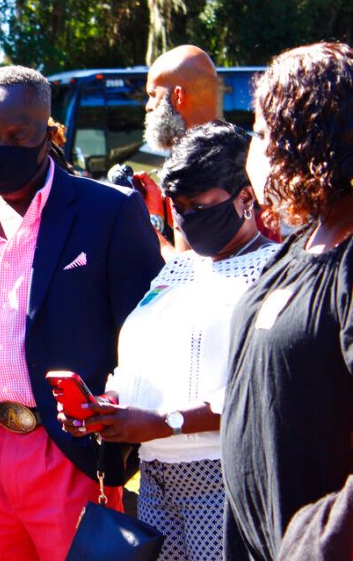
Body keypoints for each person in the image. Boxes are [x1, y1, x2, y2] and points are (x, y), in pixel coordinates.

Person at [0, 66, 163, 559]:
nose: (2, 147)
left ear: (48, 131)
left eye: (19, 135)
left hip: (66, 451)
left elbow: (146, 332)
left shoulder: (109, 212)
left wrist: (115, 409)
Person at [59, 121, 278, 560]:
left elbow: (260, 390)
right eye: (177, 207)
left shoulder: (273, 274)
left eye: (199, 205)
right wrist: (109, 405)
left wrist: (165, 422)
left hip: (226, 484)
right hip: (159, 481)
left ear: (246, 198)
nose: (186, 219)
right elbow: (146, 355)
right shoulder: (176, 269)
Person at [221, 41, 353, 561]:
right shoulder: (302, 244)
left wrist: (320, 540)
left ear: (304, 137)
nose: (252, 150)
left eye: (259, 131)